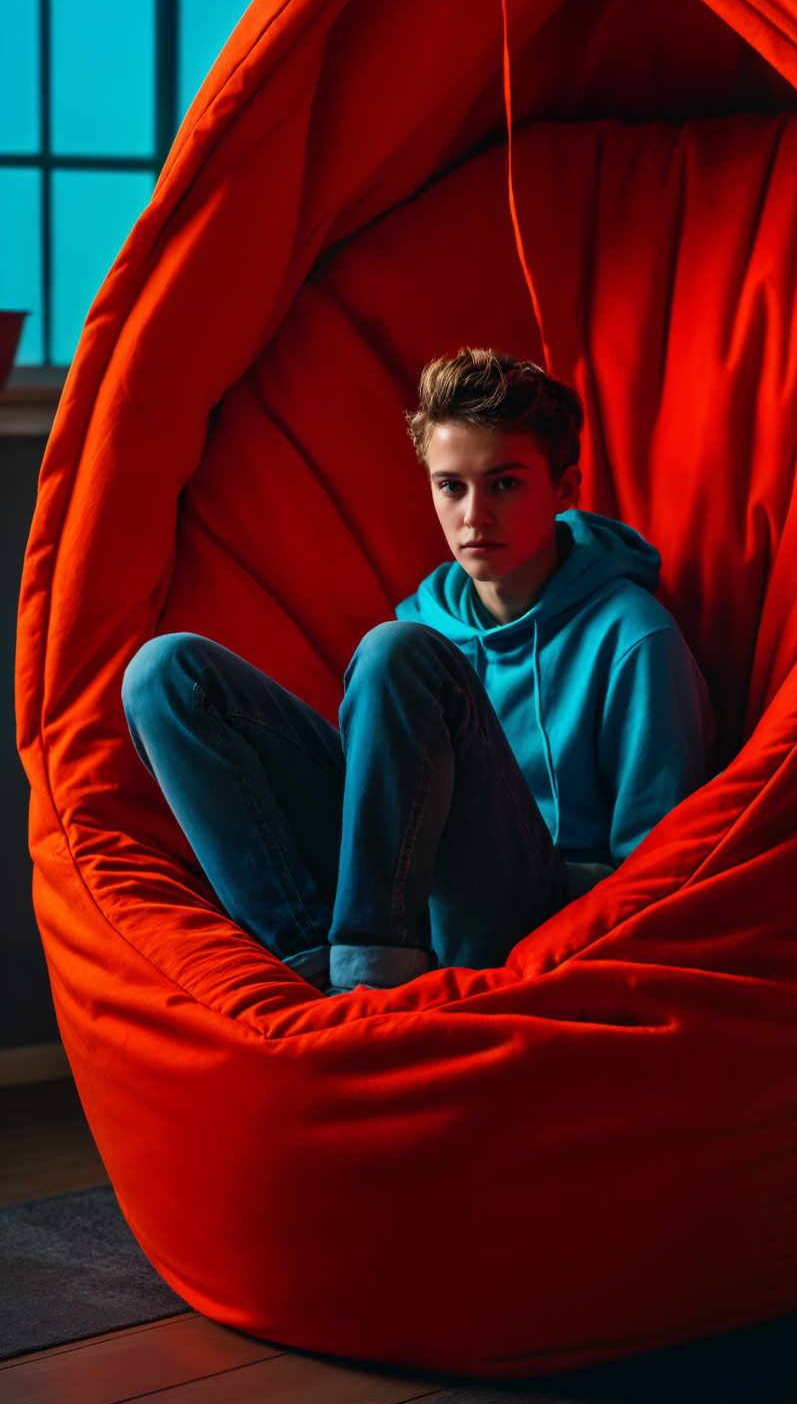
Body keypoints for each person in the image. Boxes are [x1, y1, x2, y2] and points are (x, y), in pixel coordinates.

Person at [120, 346, 716, 997]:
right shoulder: (427, 619)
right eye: (450, 486)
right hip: (401, 888)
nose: (473, 516)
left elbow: (656, 868)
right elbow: (385, 806)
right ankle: (308, 959)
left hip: (535, 905)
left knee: (395, 651)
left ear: (564, 489)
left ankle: (369, 981)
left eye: (505, 484)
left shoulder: (633, 636)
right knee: (167, 675)